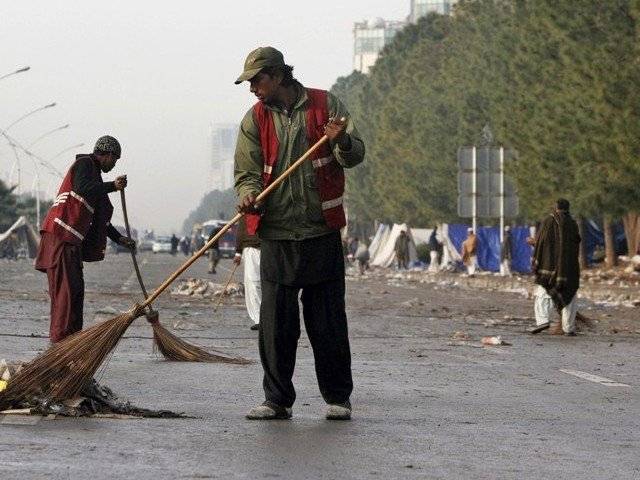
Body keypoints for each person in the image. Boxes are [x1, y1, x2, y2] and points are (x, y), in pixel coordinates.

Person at [234, 46, 365, 420]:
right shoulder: (254, 120)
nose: (252, 89)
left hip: (320, 233)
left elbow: (354, 155)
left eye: (257, 81)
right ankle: (276, 400)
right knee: (276, 327)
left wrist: (340, 139)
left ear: (277, 76)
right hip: (276, 235)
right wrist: (247, 196)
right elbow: (246, 173)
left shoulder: (326, 105)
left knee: (328, 324)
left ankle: (338, 398)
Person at [35, 136, 135, 343]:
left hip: (70, 243)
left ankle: (70, 346)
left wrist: (120, 239)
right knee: (66, 298)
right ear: (107, 155)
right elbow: (81, 188)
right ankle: (59, 350)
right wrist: (113, 186)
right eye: (114, 160)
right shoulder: (84, 164)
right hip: (60, 237)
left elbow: (101, 219)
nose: (114, 165)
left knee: (76, 294)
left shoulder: (95, 179)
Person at [530, 199, 581, 335]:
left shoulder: (548, 221)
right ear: (568, 208)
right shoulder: (572, 223)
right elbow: (576, 243)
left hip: (548, 266)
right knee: (569, 296)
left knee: (542, 294)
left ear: (555, 207)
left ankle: (542, 321)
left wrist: (533, 243)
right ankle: (568, 328)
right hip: (569, 269)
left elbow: (541, 242)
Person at [233, 216, 262, 331]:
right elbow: (241, 231)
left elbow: (241, 232)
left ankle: (263, 318)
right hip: (254, 249)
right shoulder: (247, 210)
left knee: (256, 284)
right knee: (255, 284)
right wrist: (239, 252)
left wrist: (238, 252)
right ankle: (260, 318)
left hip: (266, 247)